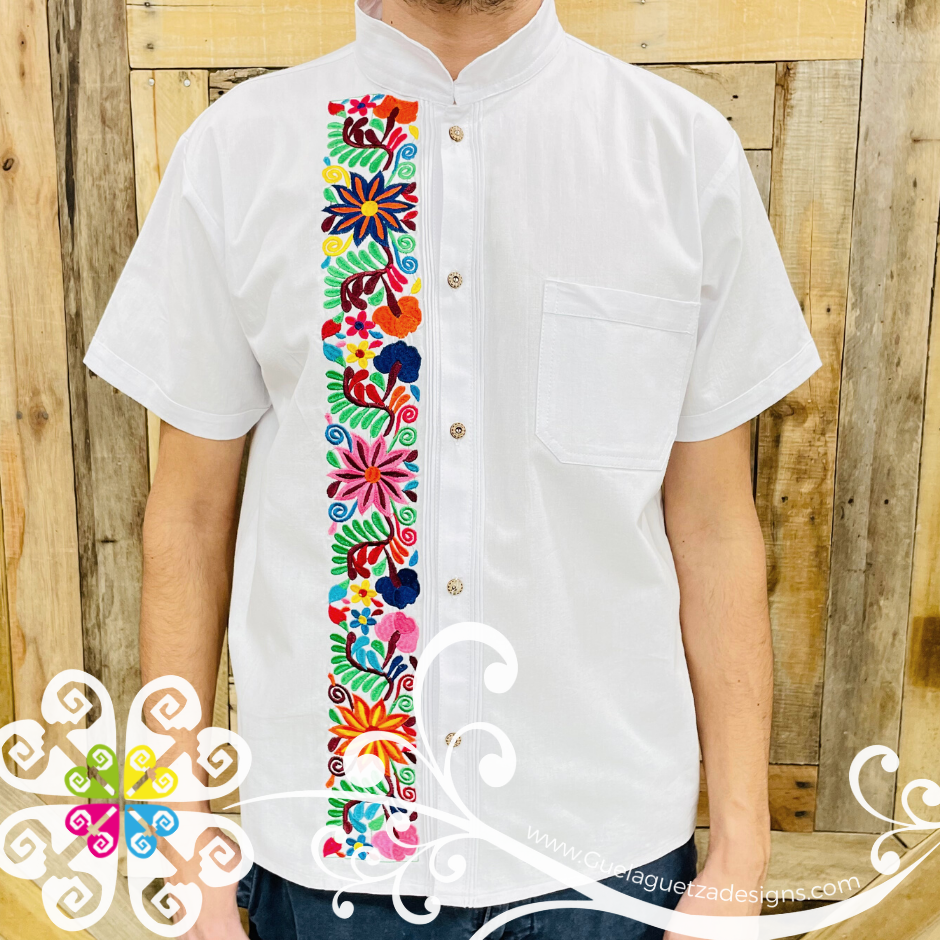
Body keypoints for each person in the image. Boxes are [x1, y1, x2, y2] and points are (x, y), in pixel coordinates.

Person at [85, 0, 821, 936]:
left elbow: (714, 527)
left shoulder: (678, 156)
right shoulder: (239, 154)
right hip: (335, 861)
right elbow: (187, 519)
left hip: (607, 864)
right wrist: (180, 846)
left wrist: (741, 858)